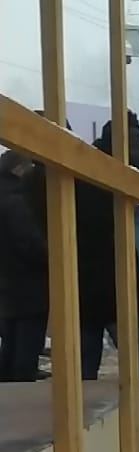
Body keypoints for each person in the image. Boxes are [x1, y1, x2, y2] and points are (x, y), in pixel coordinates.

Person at [76, 110, 139, 380]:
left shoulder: (81, 167)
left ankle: (78, 420)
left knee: (84, 364)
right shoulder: (119, 170)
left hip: (83, 280)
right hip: (119, 275)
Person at [0, 149, 49, 381]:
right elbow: (29, 242)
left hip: (7, 286)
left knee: (9, 348)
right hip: (27, 286)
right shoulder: (16, 201)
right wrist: (54, 257)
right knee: (25, 353)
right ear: (18, 169)